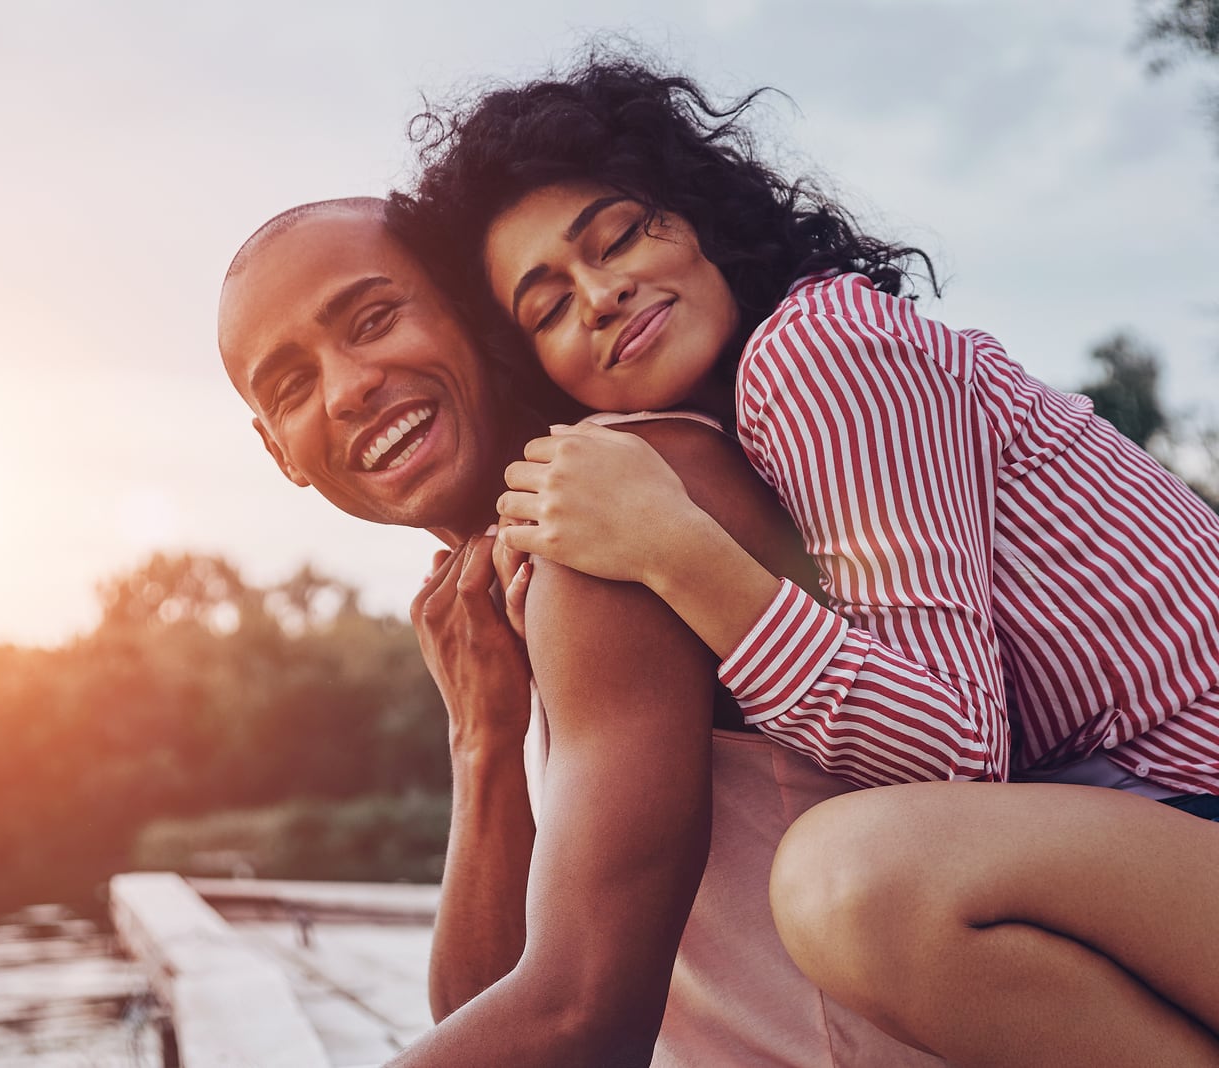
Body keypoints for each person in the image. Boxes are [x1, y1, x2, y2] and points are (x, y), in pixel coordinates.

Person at [396, 53, 1219, 1064]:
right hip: (1159, 838)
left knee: (851, 880)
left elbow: (959, 757)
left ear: (692, 215)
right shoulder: (717, 451)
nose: (600, 293)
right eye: (549, 306)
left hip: (1192, 798)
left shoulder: (816, 348)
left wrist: (675, 551)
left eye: (616, 235)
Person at [217, 197, 944, 1064]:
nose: (348, 387)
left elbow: (581, 1022)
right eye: (295, 386)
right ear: (281, 454)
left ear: (474, 310)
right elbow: (477, 1011)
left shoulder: (617, 503)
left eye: (374, 321)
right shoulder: (517, 575)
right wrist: (483, 737)